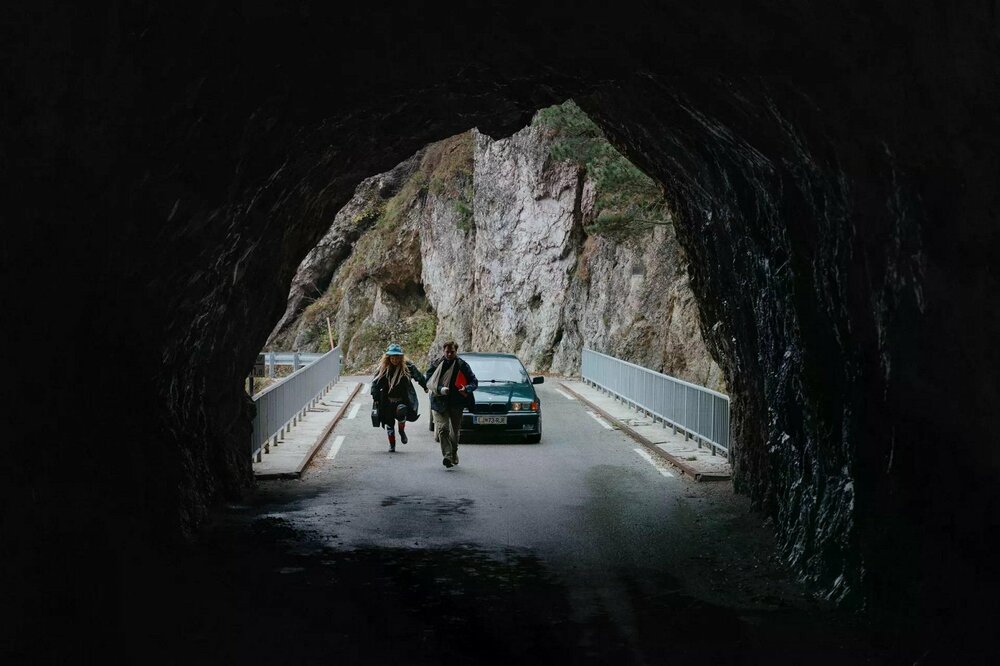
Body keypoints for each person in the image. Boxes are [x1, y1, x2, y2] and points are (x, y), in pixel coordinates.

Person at [425, 340, 478, 468]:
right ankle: (447, 456)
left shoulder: (462, 365)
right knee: (443, 429)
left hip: (456, 403)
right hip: (439, 402)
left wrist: (466, 388)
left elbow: (474, 382)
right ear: (443, 351)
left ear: (456, 351)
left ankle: (453, 452)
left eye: (452, 352)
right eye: (447, 352)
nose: (449, 354)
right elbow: (429, 381)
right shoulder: (436, 364)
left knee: (454, 432)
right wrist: (440, 389)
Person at [371, 343, 427, 452]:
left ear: (400, 357)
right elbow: (375, 383)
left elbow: (418, 376)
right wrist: (375, 397)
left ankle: (401, 431)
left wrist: (425, 386)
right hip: (387, 400)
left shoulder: (407, 367)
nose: (395, 360)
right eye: (392, 358)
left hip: (402, 400)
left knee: (402, 412)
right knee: (389, 422)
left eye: (397, 358)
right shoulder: (383, 368)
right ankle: (392, 444)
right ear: (388, 358)